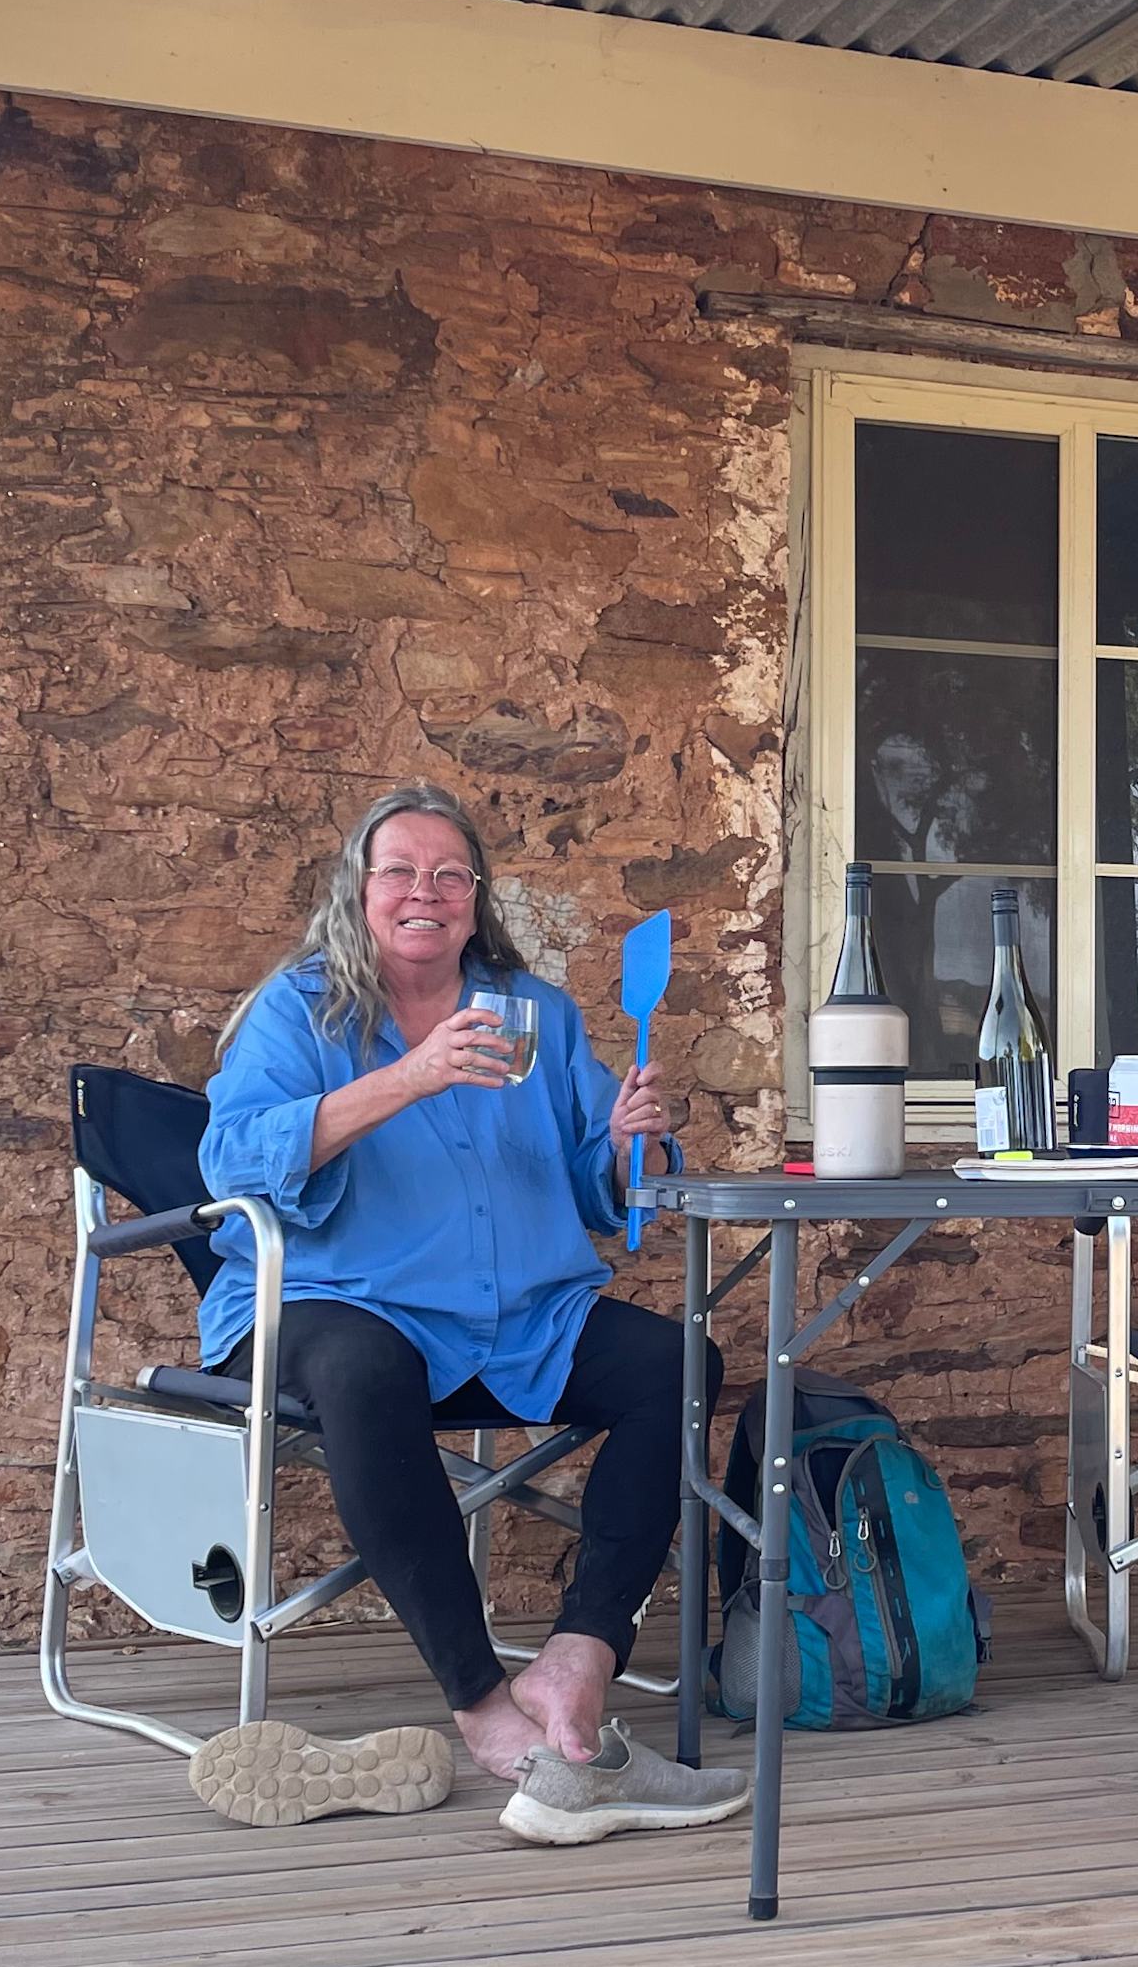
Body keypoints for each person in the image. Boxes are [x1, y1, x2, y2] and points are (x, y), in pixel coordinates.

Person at [187, 783, 746, 1846]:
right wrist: (409, 1077)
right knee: (365, 1374)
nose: (424, 892)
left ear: (477, 897)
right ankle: (484, 1703)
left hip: (515, 1317)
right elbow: (232, 1158)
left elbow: (600, 1189)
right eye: (399, 871)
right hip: (336, 1299)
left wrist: (635, 1138)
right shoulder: (300, 1009)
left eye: (450, 874)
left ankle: (580, 1659)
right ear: (359, 889)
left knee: (677, 1364)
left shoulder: (536, 1011)